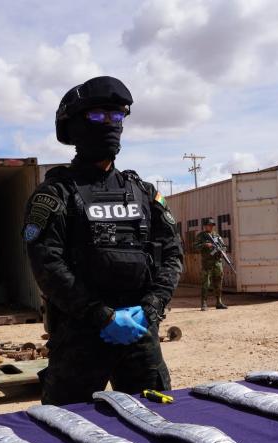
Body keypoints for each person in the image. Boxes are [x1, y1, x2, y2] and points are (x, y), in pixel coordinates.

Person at [23, 76, 184, 406]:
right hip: (80, 335)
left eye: (117, 116)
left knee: (155, 422)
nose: (109, 124)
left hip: (139, 334)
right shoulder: (56, 194)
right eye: (98, 116)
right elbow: (47, 264)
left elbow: (172, 252)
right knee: (66, 433)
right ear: (74, 126)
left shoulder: (142, 192)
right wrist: (101, 316)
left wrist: (152, 307)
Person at [194, 219, 228, 311]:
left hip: (217, 263)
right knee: (206, 283)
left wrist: (222, 251)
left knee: (218, 282)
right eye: (209, 225)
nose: (211, 226)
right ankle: (204, 304)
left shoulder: (216, 235)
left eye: (212, 225)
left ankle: (219, 302)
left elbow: (224, 246)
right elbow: (195, 247)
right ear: (205, 226)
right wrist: (205, 245)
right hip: (207, 263)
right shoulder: (201, 236)